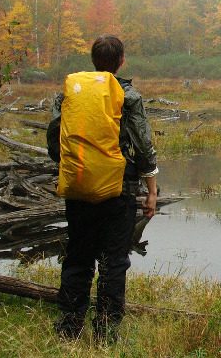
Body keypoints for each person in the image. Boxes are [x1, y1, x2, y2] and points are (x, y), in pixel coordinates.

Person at [47, 34, 158, 342]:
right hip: (119, 188)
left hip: (79, 185)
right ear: (121, 61)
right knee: (113, 260)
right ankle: (106, 332)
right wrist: (151, 190)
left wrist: (74, 167)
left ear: (93, 60)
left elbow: (55, 141)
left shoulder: (69, 93)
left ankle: (69, 326)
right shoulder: (129, 96)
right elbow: (144, 146)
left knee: (78, 255)